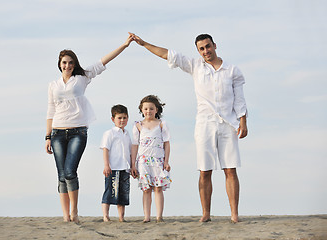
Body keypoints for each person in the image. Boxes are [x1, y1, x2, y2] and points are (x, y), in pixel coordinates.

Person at [130, 33, 248, 223]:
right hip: (204, 125)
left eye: (208, 46)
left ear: (214, 45)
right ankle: (206, 214)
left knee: (230, 169)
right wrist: (144, 44)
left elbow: (239, 98)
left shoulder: (232, 70)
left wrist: (243, 120)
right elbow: (167, 54)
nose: (205, 51)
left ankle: (234, 214)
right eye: (201, 49)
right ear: (198, 51)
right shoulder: (195, 66)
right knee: (204, 170)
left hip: (228, 124)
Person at [45, 34, 133, 223]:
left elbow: (103, 61)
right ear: (59, 64)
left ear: (74, 64)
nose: (67, 65)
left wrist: (124, 45)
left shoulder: (82, 77)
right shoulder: (53, 85)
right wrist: (47, 136)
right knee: (61, 175)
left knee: (70, 171)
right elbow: (50, 110)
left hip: (78, 131)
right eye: (64, 62)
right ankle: (66, 216)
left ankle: (75, 210)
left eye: (70, 62)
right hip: (57, 132)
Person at [131, 95, 172, 223]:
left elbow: (167, 143)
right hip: (143, 161)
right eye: (146, 109)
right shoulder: (138, 125)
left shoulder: (161, 124)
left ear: (157, 110)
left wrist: (166, 161)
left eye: (151, 108)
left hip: (158, 160)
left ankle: (159, 216)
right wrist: (133, 164)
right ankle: (147, 217)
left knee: (158, 188)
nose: (148, 111)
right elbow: (134, 145)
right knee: (146, 189)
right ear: (142, 110)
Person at [100, 104, 132, 222]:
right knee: (109, 191)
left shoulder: (127, 134)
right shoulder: (110, 133)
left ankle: (121, 217)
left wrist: (132, 166)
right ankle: (105, 216)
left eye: (124, 117)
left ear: (127, 118)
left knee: (123, 193)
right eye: (119, 118)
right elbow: (105, 149)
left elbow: (130, 151)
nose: (122, 120)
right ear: (113, 119)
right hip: (113, 167)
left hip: (125, 168)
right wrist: (106, 165)